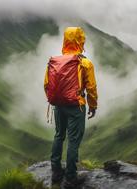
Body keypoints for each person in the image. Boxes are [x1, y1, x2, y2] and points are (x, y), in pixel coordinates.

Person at [44, 27, 98, 188]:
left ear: (65, 41)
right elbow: (91, 88)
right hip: (76, 106)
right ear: (81, 41)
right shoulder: (84, 63)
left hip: (58, 105)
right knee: (73, 140)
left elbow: (46, 84)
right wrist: (93, 106)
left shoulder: (54, 61)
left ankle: (55, 171)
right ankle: (71, 178)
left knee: (59, 135)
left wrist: (55, 99)